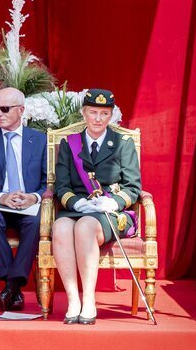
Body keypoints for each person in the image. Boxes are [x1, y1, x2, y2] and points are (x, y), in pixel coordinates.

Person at [52, 89, 140, 325]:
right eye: (93, 112)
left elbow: (133, 188)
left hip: (110, 211)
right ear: (84, 113)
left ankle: (88, 299)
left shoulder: (123, 144)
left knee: (85, 227)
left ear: (111, 115)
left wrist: (113, 201)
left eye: (104, 113)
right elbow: (61, 186)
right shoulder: (69, 144)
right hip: (78, 207)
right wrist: (76, 202)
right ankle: (73, 300)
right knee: (60, 228)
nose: (98, 118)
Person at [0, 87, 47, 311]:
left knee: (34, 222)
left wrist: (33, 197)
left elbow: (49, 182)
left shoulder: (40, 140)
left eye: (4, 108)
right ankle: (13, 288)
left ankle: (10, 289)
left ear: (21, 110)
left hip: (28, 206)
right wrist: (1, 197)